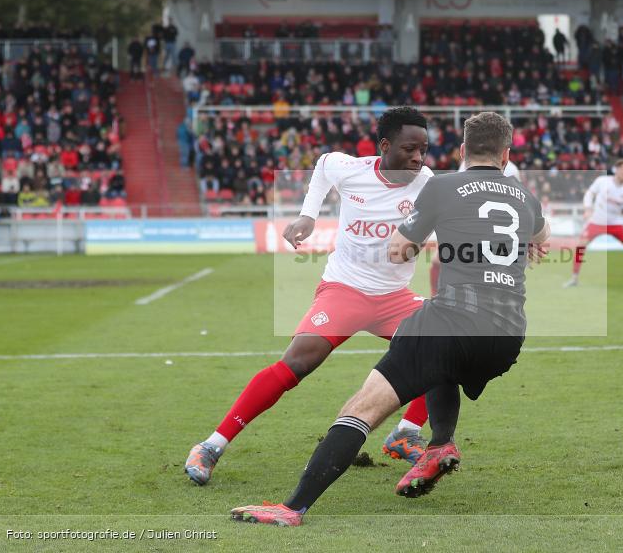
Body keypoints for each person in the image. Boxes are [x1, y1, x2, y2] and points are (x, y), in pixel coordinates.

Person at [228, 111, 550, 527]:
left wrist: (419, 241)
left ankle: (292, 508)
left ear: (461, 151)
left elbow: (399, 250)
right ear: (507, 155)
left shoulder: (443, 186)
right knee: (441, 363)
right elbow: (541, 240)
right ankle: (439, 444)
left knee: (363, 407)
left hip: (451, 323)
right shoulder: (526, 197)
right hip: (507, 336)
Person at [184, 108, 435, 486]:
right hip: (345, 290)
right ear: (385, 146)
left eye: (424, 150)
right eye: (410, 148)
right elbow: (321, 165)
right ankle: (211, 445)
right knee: (298, 361)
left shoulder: (428, 182)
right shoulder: (348, 169)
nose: (418, 158)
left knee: (444, 347)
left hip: (393, 298)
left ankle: (405, 434)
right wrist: (308, 215)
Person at [428, 147, 521, 296]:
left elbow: (457, 196)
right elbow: (518, 201)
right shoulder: (512, 169)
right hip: (498, 229)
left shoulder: (467, 164)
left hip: (470, 222)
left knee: (440, 261)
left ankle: (436, 297)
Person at [564, 159, 623, 286]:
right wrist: (588, 209)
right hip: (596, 222)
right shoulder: (602, 181)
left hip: (616, 224)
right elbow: (589, 194)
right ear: (617, 169)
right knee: (580, 247)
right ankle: (574, 277)